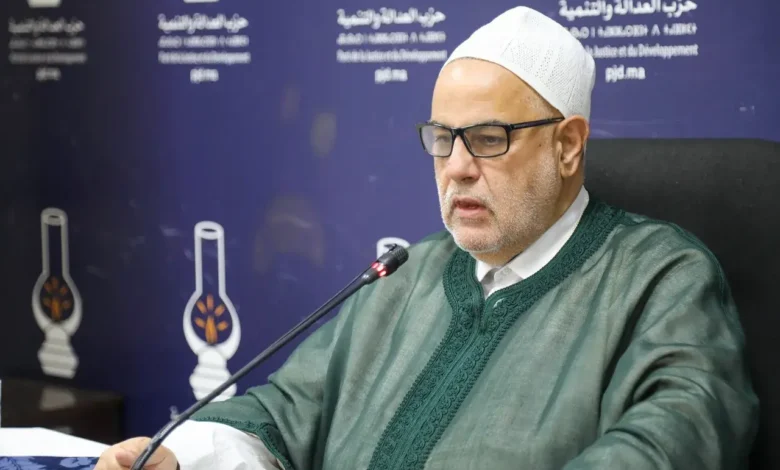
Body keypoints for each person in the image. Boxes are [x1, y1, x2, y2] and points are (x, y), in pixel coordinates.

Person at [96, 6, 759, 470]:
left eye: (489, 138)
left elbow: (674, 440)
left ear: (567, 145)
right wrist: (180, 456)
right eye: (443, 139)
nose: (457, 166)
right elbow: (290, 410)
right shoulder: (406, 274)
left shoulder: (659, 276)